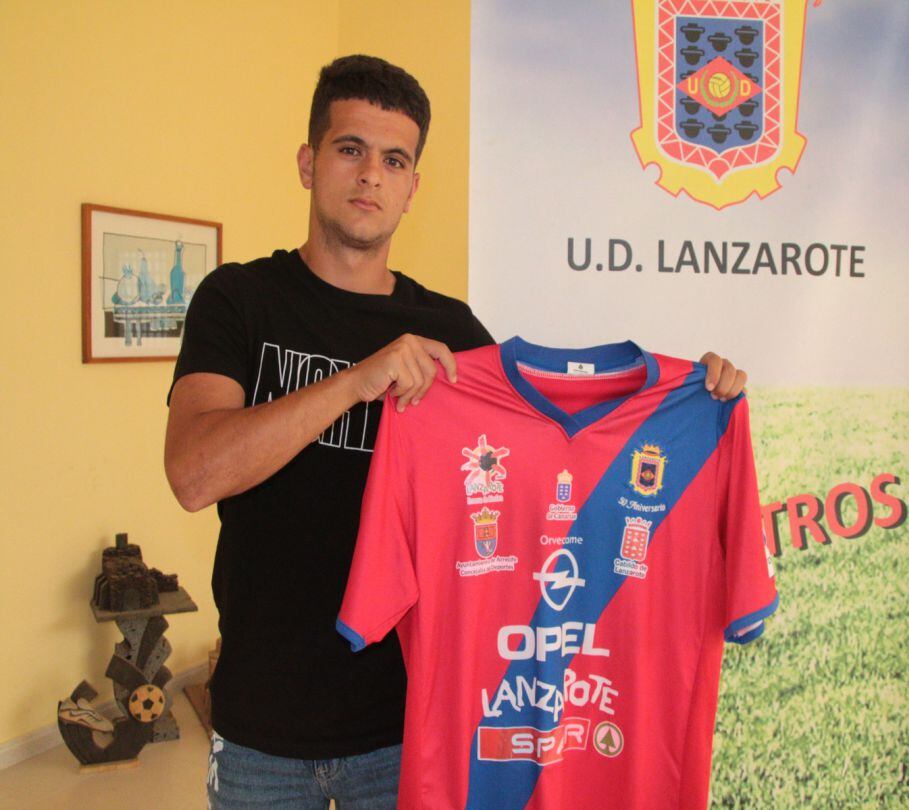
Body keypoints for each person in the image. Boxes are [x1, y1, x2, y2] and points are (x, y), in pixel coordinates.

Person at [164, 54, 748, 810]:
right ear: (309, 164)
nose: (371, 175)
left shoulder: (452, 333)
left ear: (413, 186)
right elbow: (193, 474)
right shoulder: (238, 300)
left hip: (411, 729)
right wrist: (354, 383)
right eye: (350, 150)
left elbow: (552, 465)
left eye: (394, 159)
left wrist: (692, 403)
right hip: (260, 727)